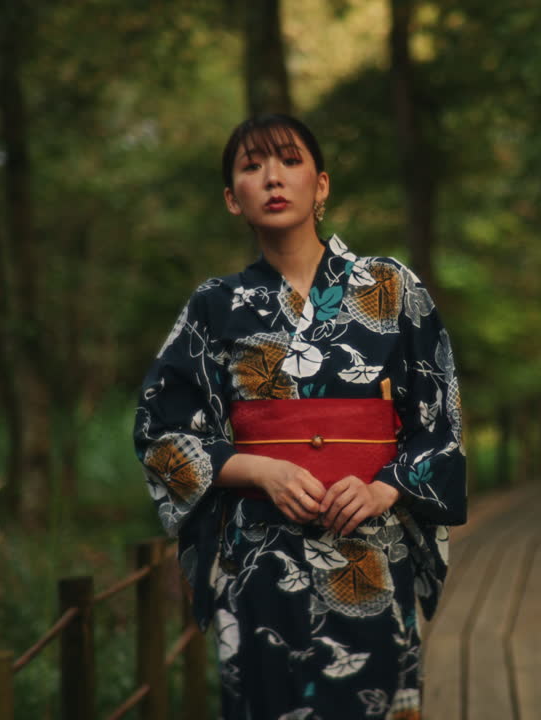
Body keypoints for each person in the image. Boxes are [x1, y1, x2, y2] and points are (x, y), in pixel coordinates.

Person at [133, 113, 467, 720]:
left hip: (368, 548)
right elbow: (161, 434)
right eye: (251, 167)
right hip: (260, 557)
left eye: (289, 161)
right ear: (234, 199)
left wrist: (384, 487)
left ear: (322, 186)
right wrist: (261, 473)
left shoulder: (391, 288)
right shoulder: (214, 306)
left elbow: (438, 419)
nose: (272, 178)